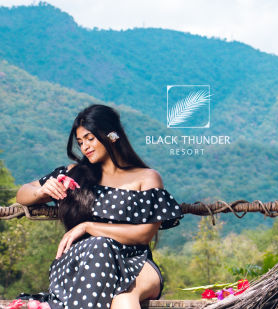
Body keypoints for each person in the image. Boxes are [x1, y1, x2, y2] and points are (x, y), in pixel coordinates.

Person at [15, 104, 184, 309]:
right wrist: (41, 191)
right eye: (80, 142)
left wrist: (89, 227)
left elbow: (144, 235)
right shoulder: (74, 174)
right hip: (83, 264)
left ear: (111, 135)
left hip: (135, 260)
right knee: (98, 246)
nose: (85, 147)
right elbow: (22, 194)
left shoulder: (146, 177)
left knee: (123, 294)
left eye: (90, 138)